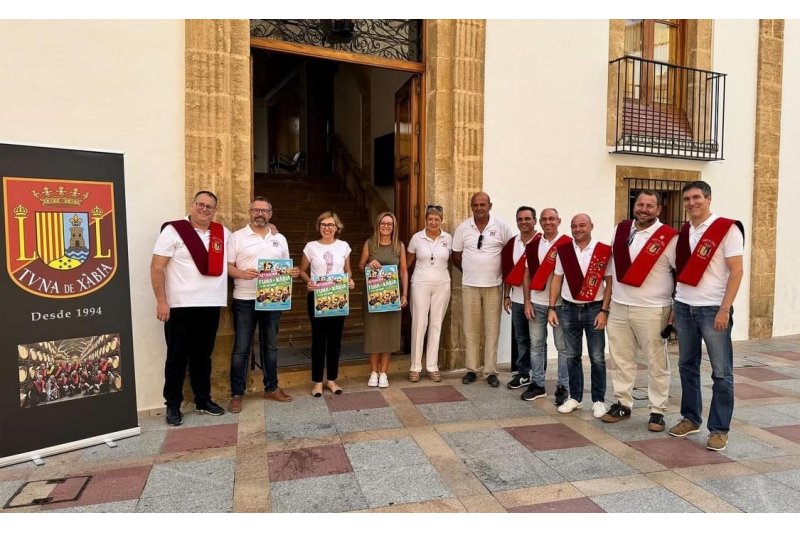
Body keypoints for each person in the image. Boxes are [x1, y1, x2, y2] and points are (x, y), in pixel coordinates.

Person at [668, 181, 744, 451]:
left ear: (708, 198)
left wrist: (725, 308)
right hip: (685, 306)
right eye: (687, 199)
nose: (691, 203)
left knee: (721, 372)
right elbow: (679, 272)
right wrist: (675, 304)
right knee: (686, 366)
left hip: (713, 308)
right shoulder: (685, 231)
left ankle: (719, 429)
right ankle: (691, 418)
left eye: (696, 197)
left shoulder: (727, 229)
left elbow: (736, 271)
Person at [151, 190, 229, 426]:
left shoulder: (222, 233)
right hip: (180, 305)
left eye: (209, 206)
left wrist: (271, 229)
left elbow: (240, 251)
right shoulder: (173, 230)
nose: (204, 209)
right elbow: (157, 267)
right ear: (192, 205)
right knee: (177, 357)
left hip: (211, 303)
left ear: (215, 210)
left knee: (203, 356)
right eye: (200, 205)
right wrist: (161, 301)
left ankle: (202, 400)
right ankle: (173, 405)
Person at [602, 191, 678, 432]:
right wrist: (607, 304)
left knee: (656, 362)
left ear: (659, 210)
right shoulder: (621, 229)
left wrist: (675, 306)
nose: (643, 209)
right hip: (619, 305)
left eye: (649, 206)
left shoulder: (668, 237)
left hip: (653, 309)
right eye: (640, 204)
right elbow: (612, 268)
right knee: (621, 359)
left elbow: (679, 273)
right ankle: (622, 403)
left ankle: (657, 410)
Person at [227, 196, 300, 413]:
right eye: (256, 210)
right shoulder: (237, 237)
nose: (260, 214)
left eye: (264, 211)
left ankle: (272, 387)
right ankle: (237, 393)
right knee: (241, 348)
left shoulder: (280, 238)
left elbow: (285, 267)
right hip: (245, 299)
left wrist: (293, 272)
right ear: (250, 212)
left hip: (272, 300)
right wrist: (241, 273)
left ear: (270, 214)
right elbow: (228, 266)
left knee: (270, 346)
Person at [548, 213, 611, 419]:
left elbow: (609, 282)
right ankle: (575, 397)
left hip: (594, 309)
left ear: (591, 226)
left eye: (582, 225)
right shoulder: (564, 251)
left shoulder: (602, 251)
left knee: (597, 357)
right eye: (574, 226)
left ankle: (599, 400)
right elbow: (557, 279)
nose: (578, 229)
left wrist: (604, 311)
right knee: (572, 355)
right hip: (568, 308)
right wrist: (552, 307)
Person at [452, 192, 513, 387]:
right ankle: (472, 369)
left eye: (482, 204)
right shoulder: (464, 227)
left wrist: (506, 289)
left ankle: (490, 371)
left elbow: (510, 255)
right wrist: (468, 270)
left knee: (492, 330)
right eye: (475, 205)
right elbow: (455, 254)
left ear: (490, 206)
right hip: (470, 285)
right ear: (471, 207)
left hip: (494, 285)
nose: (479, 208)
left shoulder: (501, 226)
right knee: (470, 329)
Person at [299, 211, 355, 397]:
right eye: (323, 224)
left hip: (338, 298)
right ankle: (317, 382)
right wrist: (309, 281)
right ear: (319, 226)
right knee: (318, 340)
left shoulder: (344, 246)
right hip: (317, 298)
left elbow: (348, 270)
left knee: (335, 341)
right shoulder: (311, 247)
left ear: (337, 227)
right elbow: (302, 270)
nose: (327, 228)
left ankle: (331, 379)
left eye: (331, 225)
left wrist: (349, 280)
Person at [522, 208, 573, 404]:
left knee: (563, 347)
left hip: (561, 305)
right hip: (537, 302)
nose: (548, 222)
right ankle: (537, 384)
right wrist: (527, 301)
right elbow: (527, 274)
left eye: (552, 219)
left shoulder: (568, 243)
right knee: (536, 345)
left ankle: (563, 386)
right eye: (544, 219)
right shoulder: (533, 244)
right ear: (540, 222)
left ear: (559, 221)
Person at [359, 211, 409, 388]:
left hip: (391, 297)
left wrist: (404, 294)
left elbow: (403, 271)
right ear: (378, 225)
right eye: (383, 223)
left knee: (388, 334)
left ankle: (384, 373)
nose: (386, 226)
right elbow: (360, 266)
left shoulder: (399, 246)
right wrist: (368, 265)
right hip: (373, 297)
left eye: (389, 224)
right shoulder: (370, 244)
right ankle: (373, 372)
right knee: (374, 334)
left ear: (394, 227)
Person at [407, 205, 452, 382]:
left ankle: (432, 366)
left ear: (441, 220)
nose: (433, 222)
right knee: (419, 323)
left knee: (436, 323)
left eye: (437, 219)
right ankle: (415, 367)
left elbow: (453, 258)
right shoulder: (416, 238)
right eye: (430, 219)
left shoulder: (448, 238)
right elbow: (407, 263)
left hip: (442, 284)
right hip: (420, 283)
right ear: (425, 220)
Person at [501, 206, 538, 390]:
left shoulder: (541, 242)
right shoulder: (512, 243)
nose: (524, 222)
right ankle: (523, 374)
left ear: (534, 221)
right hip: (516, 298)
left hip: (538, 299)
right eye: (520, 219)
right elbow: (509, 271)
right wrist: (506, 295)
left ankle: (538, 375)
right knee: (521, 339)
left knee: (537, 340)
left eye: (527, 218)